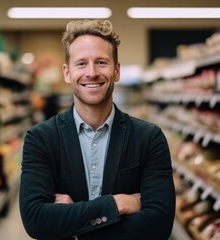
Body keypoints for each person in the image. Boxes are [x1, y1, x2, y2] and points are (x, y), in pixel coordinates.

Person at [19, 19, 175, 240]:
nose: (91, 73)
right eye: (81, 63)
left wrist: (71, 224)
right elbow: (36, 220)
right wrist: (117, 204)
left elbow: (159, 225)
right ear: (67, 73)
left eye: (101, 62)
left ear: (117, 70)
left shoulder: (149, 138)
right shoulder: (41, 138)